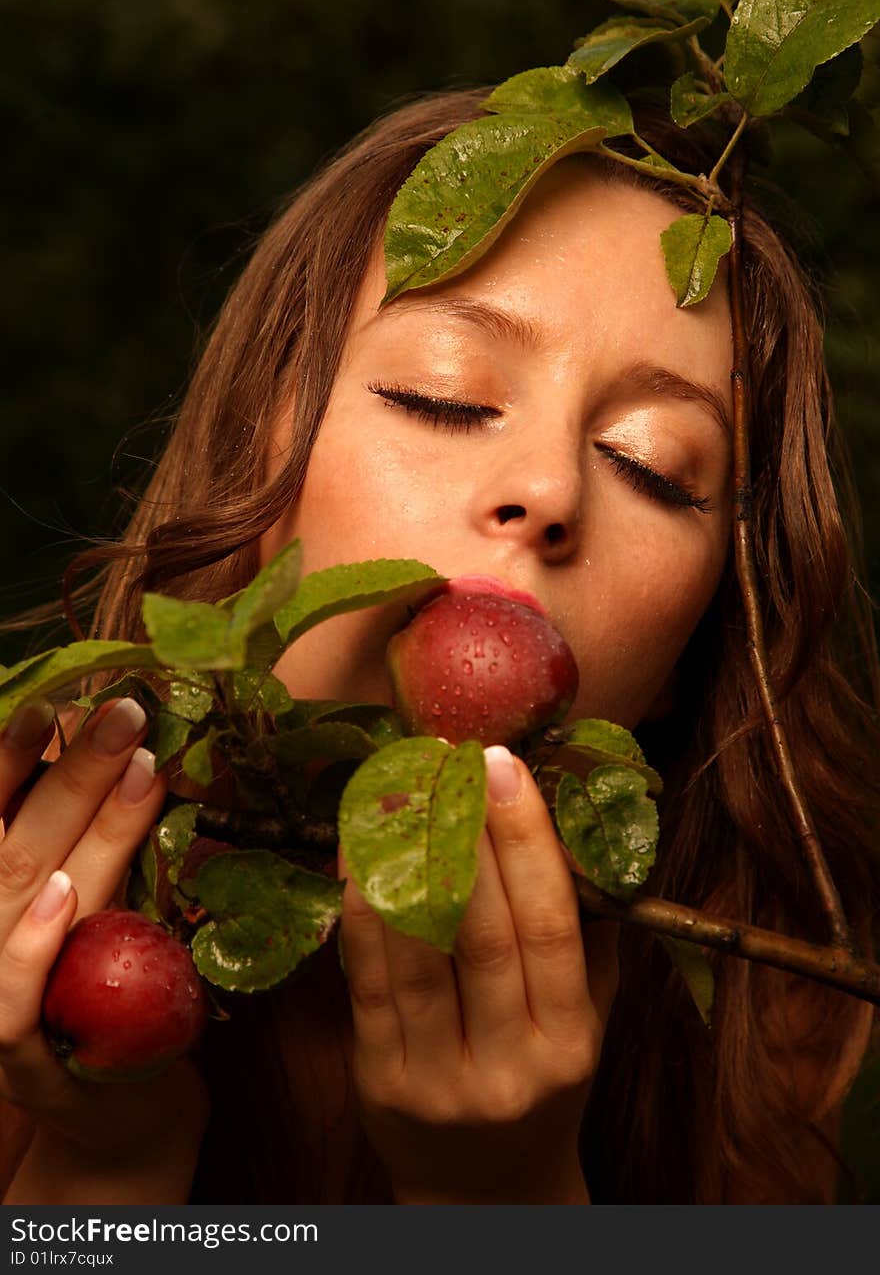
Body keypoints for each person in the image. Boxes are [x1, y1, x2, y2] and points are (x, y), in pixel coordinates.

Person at [0, 88, 878, 1204]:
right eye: (443, 398)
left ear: (691, 654)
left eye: (653, 465)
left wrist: (506, 1202)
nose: (549, 491)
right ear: (247, 469)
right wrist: (100, 1168)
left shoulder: (756, 1040)